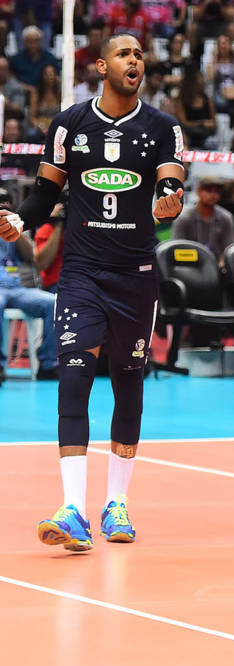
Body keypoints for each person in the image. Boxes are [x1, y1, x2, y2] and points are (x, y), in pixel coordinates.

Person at [0, 33, 186, 551]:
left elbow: (171, 180)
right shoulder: (69, 124)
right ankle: (74, 509)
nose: (135, 60)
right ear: (102, 66)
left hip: (136, 274)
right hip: (82, 272)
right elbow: (45, 192)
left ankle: (116, 503)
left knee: (128, 381)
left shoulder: (163, 127)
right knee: (74, 376)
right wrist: (20, 220)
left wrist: (170, 199)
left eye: (140, 54)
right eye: (125, 54)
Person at [0, 189, 59, 383]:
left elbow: (31, 257)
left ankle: (48, 365)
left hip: (15, 288)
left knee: (53, 302)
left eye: (6, 201)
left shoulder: (13, 227)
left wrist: (14, 230)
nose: (3, 205)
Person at [171, 176, 234, 261]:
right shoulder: (183, 218)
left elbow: (228, 249)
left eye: (217, 191)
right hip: (189, 262)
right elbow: (177, 248)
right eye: (209, 190)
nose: (213, 195)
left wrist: (222, 264)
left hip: (216, 264)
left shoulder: (226, 217)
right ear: (198, 191)